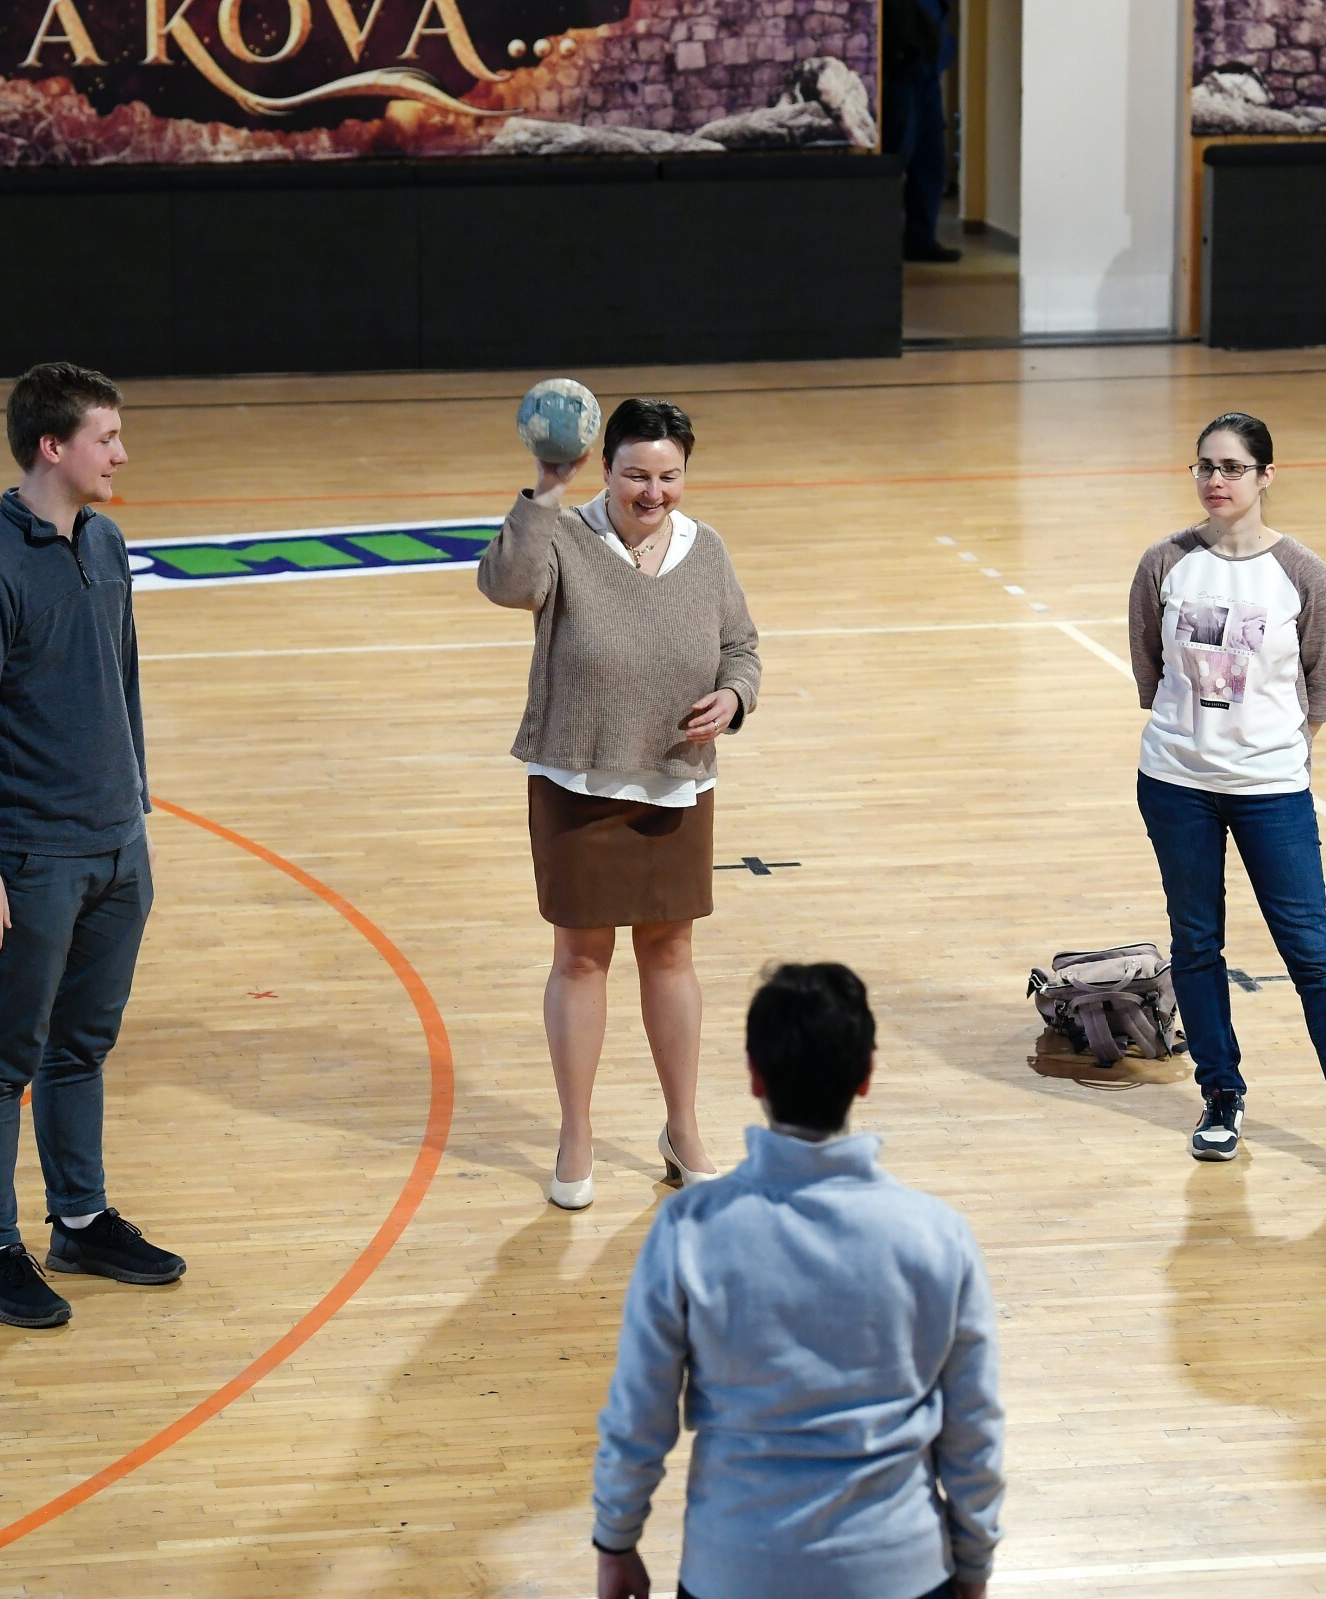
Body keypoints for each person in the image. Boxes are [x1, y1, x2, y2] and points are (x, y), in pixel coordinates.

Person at [589, 963, 1003, 1599]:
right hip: (901, 1570)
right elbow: (973, 1425)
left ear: (755, 1076)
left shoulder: (690, 1229)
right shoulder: (936, 1234)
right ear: (866, 1077)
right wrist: (973, 1565)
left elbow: (640, 1411)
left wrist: (616, 1540)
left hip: (734, 1570)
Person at [0, 362, 183, 1329]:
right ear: (52, 446)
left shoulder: (106, 542)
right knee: (3, 1056)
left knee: (81, 1045)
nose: (122, 454)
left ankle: (79, 1218)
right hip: (31, 861)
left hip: (117, 849)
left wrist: (135, 808)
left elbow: (124, 677)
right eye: (105, 438)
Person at [478, 398, 762, 1210]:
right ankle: (576, 1132)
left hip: (677, 779)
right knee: (580, 956)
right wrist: (545, 489)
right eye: (637, 475)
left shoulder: (706, 549)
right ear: (605, 469)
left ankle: (683, 1128)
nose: (653, 492)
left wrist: (735, 697)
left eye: (669, 476)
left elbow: (741, 647)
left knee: (671, 953)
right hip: (579, 780)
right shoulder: (564, 535)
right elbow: (505, 584)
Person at [1126, 412, 1326, 1192]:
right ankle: (1220, 1094)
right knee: (1196, 943)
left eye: (1233, 467)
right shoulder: (1164, 563)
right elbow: (1149, 667)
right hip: (1176, 782)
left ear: (1266, 476)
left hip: (1271, 790)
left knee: (1311, 951)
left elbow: (1325, 677)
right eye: (1205, 467)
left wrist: (1281, 744)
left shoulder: (1301, 571)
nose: (1216, 480)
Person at [883, 0, 959, 261]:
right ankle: (880, 238)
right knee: (894, 158)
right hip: (902, 72)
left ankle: (920, 240)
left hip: (927, 72)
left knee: (930, 162)